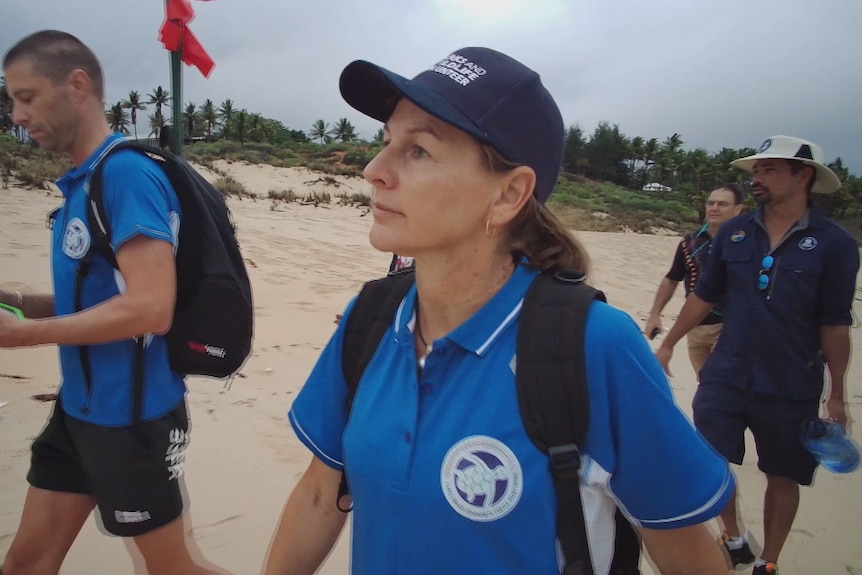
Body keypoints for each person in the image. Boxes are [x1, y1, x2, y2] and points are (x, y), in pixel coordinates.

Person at [262, 47, 734, 575]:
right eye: (387, 141)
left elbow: (686, 552)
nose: (375, 170)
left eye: (418, 150)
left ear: (508, 195)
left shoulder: (593, 346)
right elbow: (320, 498)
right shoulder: (370, 320)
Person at [0, 30, 225, 575]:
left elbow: (151, 308)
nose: (16, 115)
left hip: (131, 421)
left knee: (175, 570)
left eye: (26, 97)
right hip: (78, 412)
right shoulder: (85, 180)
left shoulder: (125, 175)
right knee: (27, 564)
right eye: (11, 100)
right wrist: (20, 302)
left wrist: (24, 335)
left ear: (77, 85)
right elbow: (100, 296)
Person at [656, 135, 860, 575]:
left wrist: (837, 395)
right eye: (757, 170)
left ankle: (768, 561)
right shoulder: (736, 231)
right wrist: (669, 340)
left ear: (803, 176)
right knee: (710, 460)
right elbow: (705, 295)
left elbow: (834, 323)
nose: (757, 179)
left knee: (783, 474)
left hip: (791, 383)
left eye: (770, 170)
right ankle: (734, 537)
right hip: (726, 374)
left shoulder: (835, 244)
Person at [645, 184, 744, 378]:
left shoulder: (746, 242)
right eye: (711, 203)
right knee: (705, 383)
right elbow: (672, 278)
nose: (714, 208)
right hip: (694, 328)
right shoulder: (689, 241)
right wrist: (655, 313)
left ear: (738, 209)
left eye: (722, 204)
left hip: (729, 327)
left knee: (719, 382)